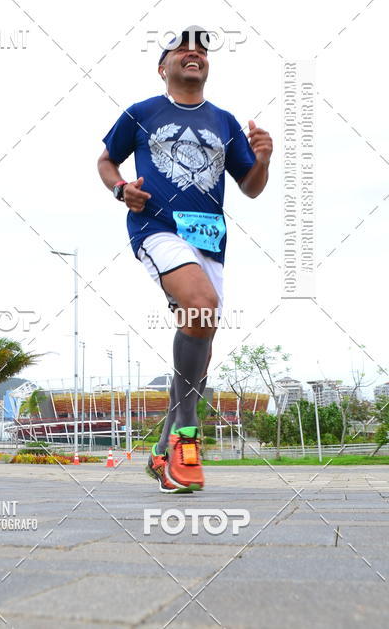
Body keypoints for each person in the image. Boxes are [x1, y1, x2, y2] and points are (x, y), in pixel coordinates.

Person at [98, 27, 272, 492]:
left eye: (201, 49)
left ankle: (159, 453)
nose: (193, 52)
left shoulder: (226, 121)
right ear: (164, 67)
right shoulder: (141, 113)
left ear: (207, 66)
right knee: (199, 304)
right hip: (157, 227)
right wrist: (121, 189)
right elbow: (105, 161)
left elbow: (250, 187)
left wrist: (263, 160)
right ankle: (186, 437)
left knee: (201, 333)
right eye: (181, 48)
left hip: (210, 239)